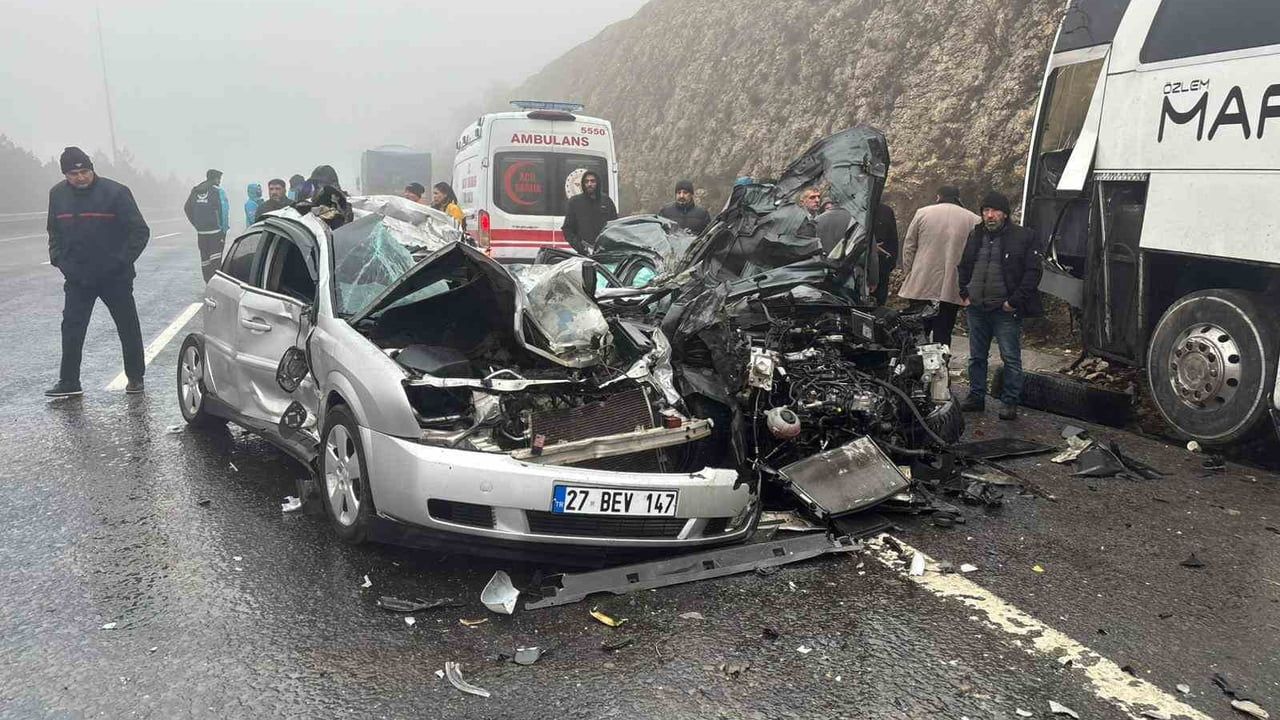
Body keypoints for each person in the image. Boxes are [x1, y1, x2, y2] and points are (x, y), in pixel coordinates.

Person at [44, 147, 150, 398]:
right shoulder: (57, 195)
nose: (80, 177)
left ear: (92, 169)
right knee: (71, 328)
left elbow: (139, 232)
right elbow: (54, 232)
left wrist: (120, 262)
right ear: (65, 174)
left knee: (127, 326)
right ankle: (69, 381)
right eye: (73, 173)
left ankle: (135, 377)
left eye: (85, 171)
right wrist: (59, 259)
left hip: (115, 277)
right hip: (78, 278)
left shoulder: (116, 192)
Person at [956, 191, 1044, 420]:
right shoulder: (975, 235)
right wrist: (964, 293)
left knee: (1010, 357)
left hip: (1005, 310)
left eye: (994, 210)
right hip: (976, 307)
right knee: (976, 356)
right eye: (985, 210)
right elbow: (964, 265)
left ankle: (1009, 402)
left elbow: (1033, 272)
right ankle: (976, 397)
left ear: (1005, 213)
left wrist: (1013, 302)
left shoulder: (1024, 236)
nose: (989, 215)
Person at [899, 185, 979, 345]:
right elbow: (974, 255)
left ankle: (916, 365)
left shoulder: (922, 213)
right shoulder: (973, 220)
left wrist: (909, 272)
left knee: (918, 329)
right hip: (952, 284)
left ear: (938, 196)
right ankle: (941, 366)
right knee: (944, 331)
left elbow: (909, 246)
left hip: (921, 282)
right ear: (958, 198)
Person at [183, 169, 229, 282]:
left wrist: (197, 224)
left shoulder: (195, 191)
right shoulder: (218, 191)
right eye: (219, 179)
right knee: (216, 259)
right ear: (216, 179)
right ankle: (215, 284)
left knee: (205, 260)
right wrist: (224, 230)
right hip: (215, 232)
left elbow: (187, 208)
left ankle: (207, 282)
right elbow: (224, 211)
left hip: (201, 232)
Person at [561, 170, 618, 254]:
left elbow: (614, 227)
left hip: (604, 253)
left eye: (592, 181)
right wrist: (581, 247)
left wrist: (608, 246)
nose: (589, 184)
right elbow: (567, 229)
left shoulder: (607, 201)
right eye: (586, 181)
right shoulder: (575, 202)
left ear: (597, 183)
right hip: (584, 253)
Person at [872, 203, 898, 306]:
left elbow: (893, 237)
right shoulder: (856, 210)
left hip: (882, 260)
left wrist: (892, 260)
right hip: (861, 259)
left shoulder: (886, 211)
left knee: (880, 296)